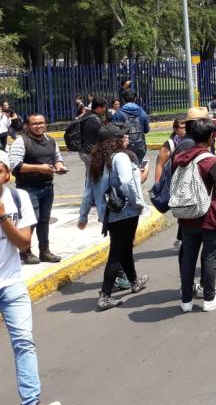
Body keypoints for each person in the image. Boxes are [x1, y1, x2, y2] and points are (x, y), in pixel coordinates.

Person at [0, 149, 61, 405]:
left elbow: (24, 244)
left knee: (24, 342)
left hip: (11, 284)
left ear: (6, 174)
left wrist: (2, 218)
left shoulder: (18, 197)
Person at [78, 124, 150, 311]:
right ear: (114, 141)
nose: (127, 139)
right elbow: (127, 182)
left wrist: (83, 216)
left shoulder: (95, 160)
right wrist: (138, 203)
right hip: (125, 212)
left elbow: (87, 193)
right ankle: (105, 295)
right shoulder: (120, 157)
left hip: (109, 213)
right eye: (123, 137)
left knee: (124, 246)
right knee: (117, 252)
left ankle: (134, 281)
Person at [175, 116, 216, 312]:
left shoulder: (181, 158)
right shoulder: (212, 161)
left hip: (187, 215)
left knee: (188, 257)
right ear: (209, 136)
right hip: (208, 216)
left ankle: (186, 301)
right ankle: (209, 299)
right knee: (210, 257)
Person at [9, 114, 66, 264]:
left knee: (44, 220)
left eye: (41, 123)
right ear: (27, 126)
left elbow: (57, 158)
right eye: (34, 124)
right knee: (29, 221)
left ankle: (44, 251)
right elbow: (14, 165)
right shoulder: (22, 141)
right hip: (28, 188)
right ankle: (25, 251)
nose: (38, 126)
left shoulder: (50, 141)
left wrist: (59, 166)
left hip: (47, 186)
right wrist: (39, 168)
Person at [110, 90, 150, 166]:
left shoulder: (118, 114)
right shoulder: (142, 112)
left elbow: (114, 132)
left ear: (123, 99)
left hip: (124, 146)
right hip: (140, 146)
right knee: (138, 169)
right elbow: (146, 130)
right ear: (135, 98)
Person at [77, 98, 107, 170]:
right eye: (104, 107)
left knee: (91, 175)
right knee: (94, 176)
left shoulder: (89, 115)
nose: (105, 109)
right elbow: (103, 133)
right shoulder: (93, 120)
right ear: (99, 108)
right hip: (89, 152)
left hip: (86, 150)